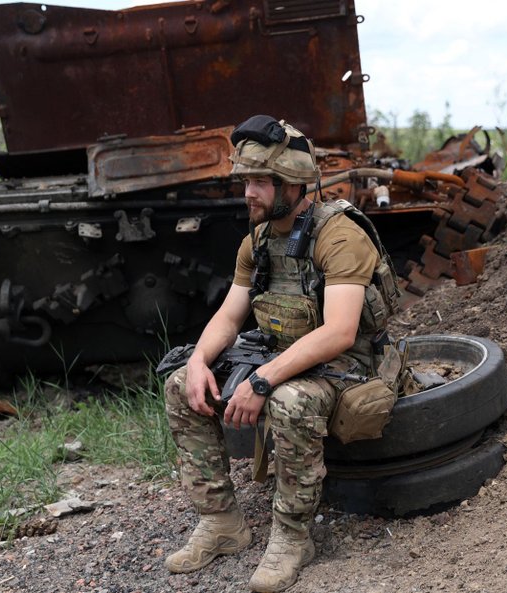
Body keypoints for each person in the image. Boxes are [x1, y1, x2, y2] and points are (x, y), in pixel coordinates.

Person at [163, 115, 398, 592]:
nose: (248, 192)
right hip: (283, 355)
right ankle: (222, 523)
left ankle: (292, 537)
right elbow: (230, 318)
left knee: (289, 402)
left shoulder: (338, 236)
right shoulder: (258, 241)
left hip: (345, 366)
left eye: (260, 182)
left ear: (293, 184)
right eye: (245, 181)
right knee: (178, 385)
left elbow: (339, 331)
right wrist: (197, 362)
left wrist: (263, 380)